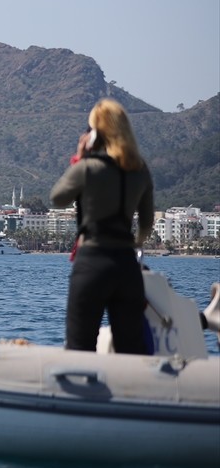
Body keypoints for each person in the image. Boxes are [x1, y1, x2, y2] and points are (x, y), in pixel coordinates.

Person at [50, 98, 154, 354]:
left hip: (93, 262)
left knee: (80, 347)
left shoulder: (88, 168)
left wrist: (79, 157)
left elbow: (58, 198)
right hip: (127, 266)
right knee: (132, 350)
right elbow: (147, 222)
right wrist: (133, 244)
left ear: (96, 133)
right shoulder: (140, 170)